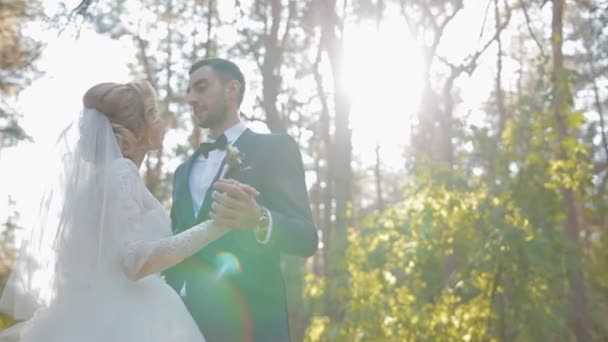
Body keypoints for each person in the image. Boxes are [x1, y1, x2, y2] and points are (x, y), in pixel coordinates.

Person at [0, 80, 256, 341]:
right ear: (136, 131)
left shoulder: (98, 180)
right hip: (133, 318)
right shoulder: (121, 172)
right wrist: (217, 226)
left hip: (95, 311)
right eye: (154, 115)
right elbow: (134, 261)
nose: (161, 123)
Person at [165, 58, 318, 342]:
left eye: (201, 87)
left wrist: (258, 219)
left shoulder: (274, 148)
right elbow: (177, 244)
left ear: (231, 89)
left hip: (254, 324)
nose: (191, 99)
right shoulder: (182, 171)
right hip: (187, 324)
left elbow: (306, 238)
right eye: (188, 92)